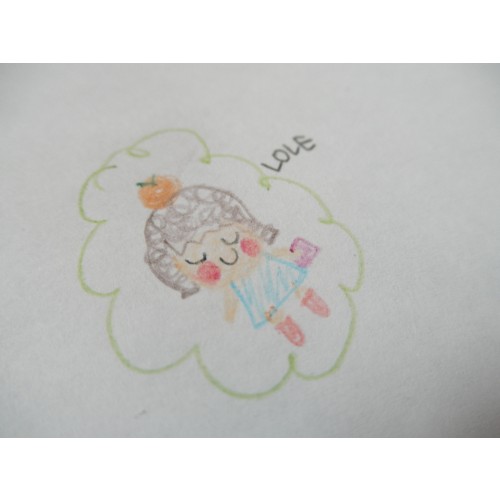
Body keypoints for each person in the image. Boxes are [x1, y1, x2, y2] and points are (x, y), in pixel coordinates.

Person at [139, 175, 330, 346]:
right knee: (269, 308)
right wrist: (227, 315)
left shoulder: (199, 198)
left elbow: (230, 206)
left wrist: (285, 248)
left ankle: (305, 296)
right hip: (251, 289)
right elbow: (231, 297)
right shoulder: (159, 226)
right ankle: (284, 323)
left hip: (266, 266)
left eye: (232, 240)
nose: (228, 256)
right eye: (204, 261)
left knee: (291, 283)